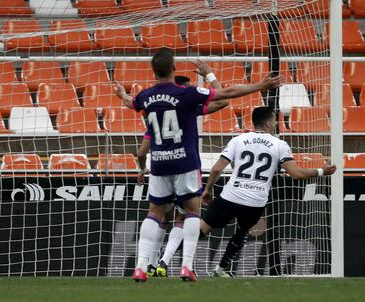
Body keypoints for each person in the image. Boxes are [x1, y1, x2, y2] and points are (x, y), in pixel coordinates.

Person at [114, 47, 283, 282]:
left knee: (154, 213)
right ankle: (186, 267)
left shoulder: (145, 96)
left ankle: (141, 266)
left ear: (153, 71)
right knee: (191, 212)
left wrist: (121, 94)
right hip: (185, 163)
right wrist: (259, 86)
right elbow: (225, 94)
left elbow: (130, 103)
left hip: (160, 164)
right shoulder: (187, 94)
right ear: (174, 68)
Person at [200, 106, 336, 277]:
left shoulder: (238, 139)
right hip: (255, 201)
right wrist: (321, 171)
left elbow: (216, 169)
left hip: (231, 196)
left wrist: (208, 189)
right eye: (274, 120)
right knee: (242, 232)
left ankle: (166, 261)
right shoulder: (279, 144)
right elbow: (296, 174)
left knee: (202, 229)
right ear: (269, 123)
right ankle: (220, 270)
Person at [138, 69, 228, 278]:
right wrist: (210, 75)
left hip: (160, 169)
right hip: (186, 167)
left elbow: (142, 150)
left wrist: (142, 169)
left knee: (159, 215)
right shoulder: (189, 109)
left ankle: (150, 264)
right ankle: (167, 262)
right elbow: (223, 100)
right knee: (185, 215)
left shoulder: (154, 114)